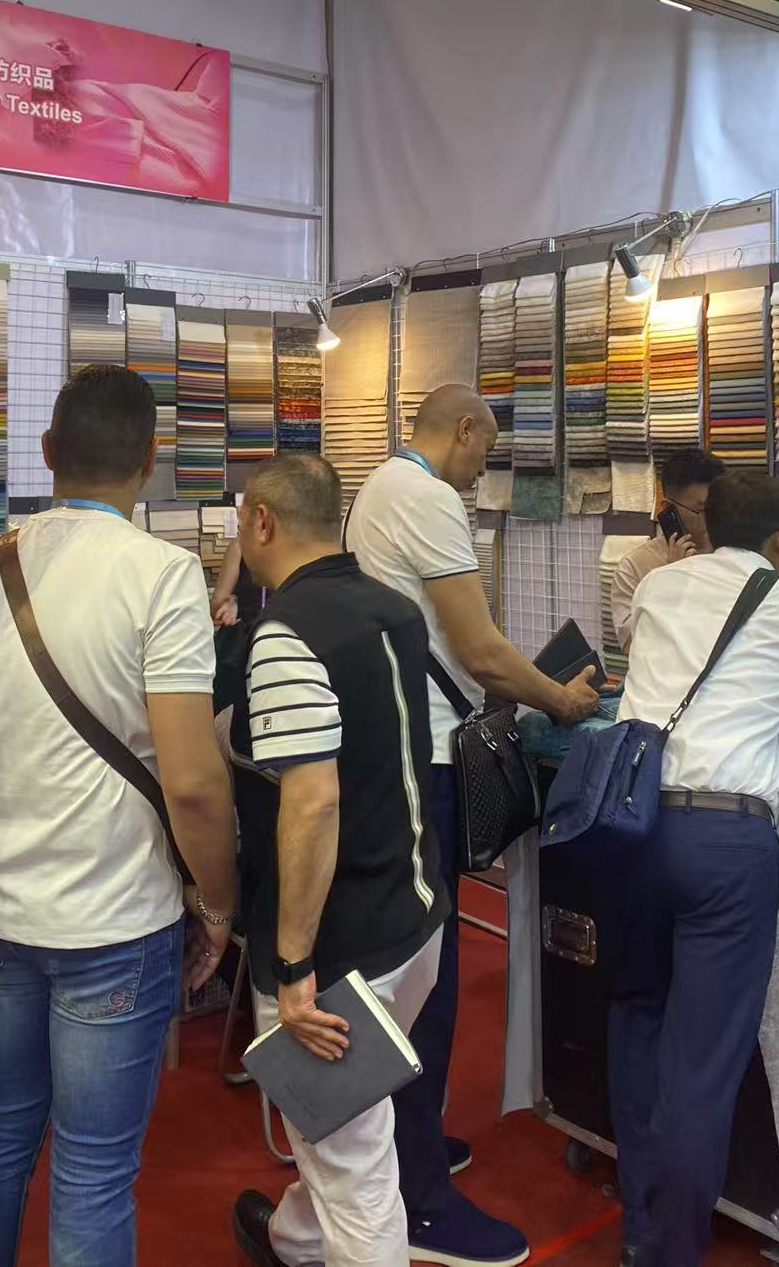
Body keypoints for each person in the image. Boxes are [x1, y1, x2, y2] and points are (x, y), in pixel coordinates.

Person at [0, 364, 238, 1267]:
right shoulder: (162, 575)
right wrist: (217, 902)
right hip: (115, 920)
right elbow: (193, 781)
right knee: (94, 1172)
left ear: (46, 451)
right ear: (152, 459)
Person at [344, 384, 599, 1267]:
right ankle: (418, 1202)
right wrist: (560, 698)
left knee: (415, 964)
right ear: (461, 431)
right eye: (484, 453)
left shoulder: (379, 489)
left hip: (396, 755)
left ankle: (407, 1145)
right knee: (428, 973)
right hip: (422, 763)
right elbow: (482, 649)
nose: (482, 472)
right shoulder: (425, 497)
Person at [607, 471, 779, 1267]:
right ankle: (672, 1251)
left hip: (631, 827)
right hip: (727, 838)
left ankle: (640, 1229)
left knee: (636, 1019)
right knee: (701, 1063)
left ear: (706, 527)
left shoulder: (658, 585)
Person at [228, 453, 449, 1267]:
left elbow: (314, 802)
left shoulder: (285, 633)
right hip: (416, 919)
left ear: (262, 522)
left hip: (338, 955)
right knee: (345, 1129)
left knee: (356, 1174)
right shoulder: (395, 609)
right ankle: (293, 1239)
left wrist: (292, 965)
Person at [609, 447, 726, 652]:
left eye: (719, 507)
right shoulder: (634, 566)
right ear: (667, 508)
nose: (714, 517)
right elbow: (632, 646)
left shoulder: (732, 553)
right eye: (702, 510)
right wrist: (670, 580)